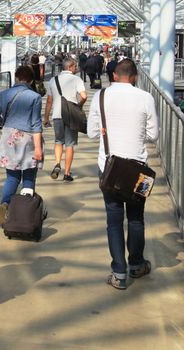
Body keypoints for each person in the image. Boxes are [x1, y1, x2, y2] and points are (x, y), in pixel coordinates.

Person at [87, 59, 159, 290]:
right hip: (140, 168)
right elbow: (153, 135)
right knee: (137, 218)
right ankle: (136, 264)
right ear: (135, 77)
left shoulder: (101, 96)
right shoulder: (145, 98)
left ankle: (119, 273)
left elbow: (91, 133)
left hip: (109, 166)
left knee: (114, 220)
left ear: (115, 75)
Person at [0, 66, 43, 226]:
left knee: (12, 177)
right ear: (31, 80)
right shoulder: (35, 97)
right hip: (28, 139)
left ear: (16, 78)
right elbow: (36, 123)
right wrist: (38, 148)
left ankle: (5, 204)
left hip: (9, 137)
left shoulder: (4, 94)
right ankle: (25, 213)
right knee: (28, 176)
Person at [43, 58, 87, 182]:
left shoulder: (53, 80)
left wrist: (46, 118)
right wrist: (79, 106)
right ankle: (67, 173)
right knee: (70, 144)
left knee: (58, 141)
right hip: (71, 115)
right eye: (75, 66)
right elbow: (84, 96)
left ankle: (57, 164)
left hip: (57, 114)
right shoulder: (76, 79)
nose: (76, 68)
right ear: (70, 67)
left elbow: (49, 101)